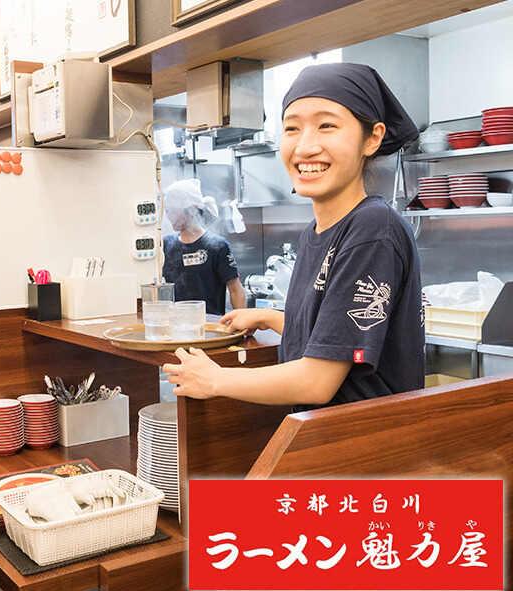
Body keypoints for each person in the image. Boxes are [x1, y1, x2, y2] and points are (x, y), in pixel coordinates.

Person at [164, 63, 423, 410]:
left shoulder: (373, 229)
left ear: (372, 137)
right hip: (323, 446)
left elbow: (316, 382)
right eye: (292, 128)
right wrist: (269, 318)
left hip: (364, 450)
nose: (305, 147)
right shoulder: (316, 233)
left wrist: (215, 378)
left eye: (327, 125)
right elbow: (332, 337)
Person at [162, 179, 246, 315]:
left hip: (212, 328)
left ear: (190, 210)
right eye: (166, 211)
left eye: (171, 210)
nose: (168, 216)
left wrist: (242, 324)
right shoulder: (166, 244)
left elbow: (235, 289)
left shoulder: (217, 246)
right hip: (177, 326)